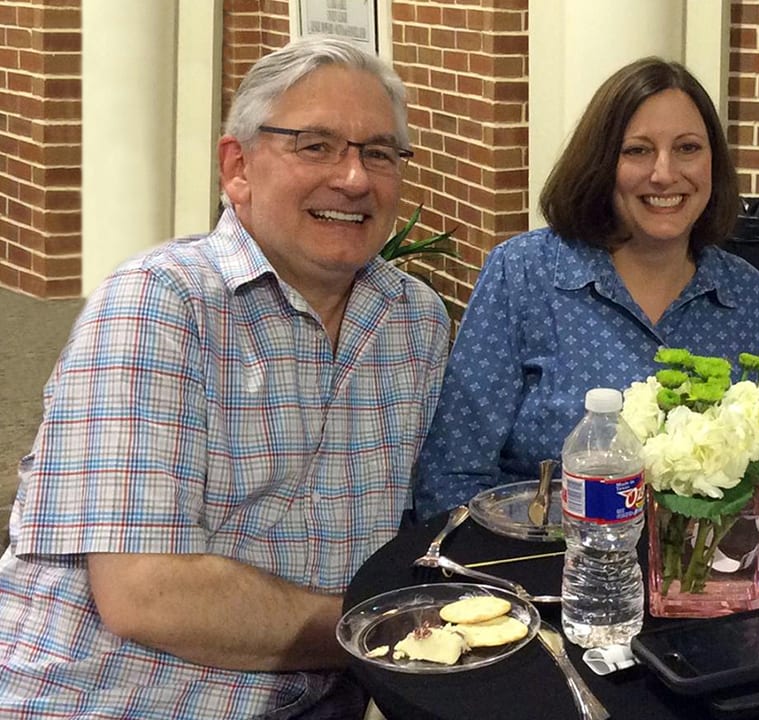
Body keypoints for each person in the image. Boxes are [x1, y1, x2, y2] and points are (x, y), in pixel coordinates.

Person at [0, 36, 449, 717]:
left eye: (379, 153)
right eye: (316, 145)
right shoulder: (160, 303)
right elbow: (145, 594)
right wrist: (378, 626)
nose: (355, 179)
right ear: (237, 167)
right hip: (118, 695)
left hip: (313, 693)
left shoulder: (414, 321)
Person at [413, 57, 759, 516]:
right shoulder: (524, 274)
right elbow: (453, 474)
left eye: (687, 148)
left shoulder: (749, 298)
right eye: (637, 151)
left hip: (698, 572)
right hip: (534, 567)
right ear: (601, 162)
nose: (664, 173)